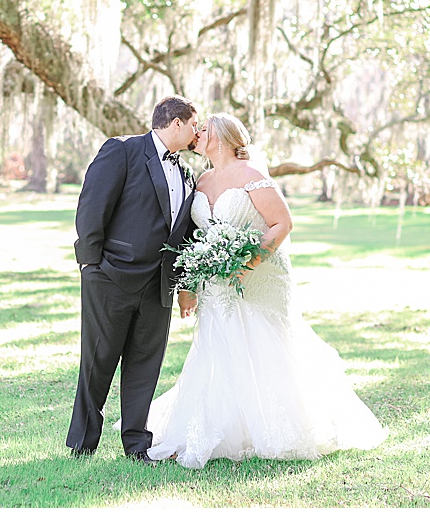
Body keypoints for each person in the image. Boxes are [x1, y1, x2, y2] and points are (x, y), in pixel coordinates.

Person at [144, 112, 388, 469]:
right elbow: (196, 236)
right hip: (216, 285)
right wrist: (193, 283)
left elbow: (282, 223)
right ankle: (219, 426)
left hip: (256, 279)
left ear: (224, 137)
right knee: (218, 347)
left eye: (204, 129)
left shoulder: (253, 177)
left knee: (262, 344)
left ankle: (275, 426)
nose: (196, 133)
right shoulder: (201, 179)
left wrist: (246, 264)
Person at [66, 95, 201, 465]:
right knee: (98, 361)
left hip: (159, 286)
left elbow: (184, 232)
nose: (197, 132)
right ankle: (82, 442)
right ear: (176, 123)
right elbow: (92, 207)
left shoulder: (188, 174)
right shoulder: (123, 150)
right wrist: (92, 266)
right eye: (194, 125)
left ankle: (137, 444)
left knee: (145, 366)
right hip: (109, 279)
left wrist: (184, 281)